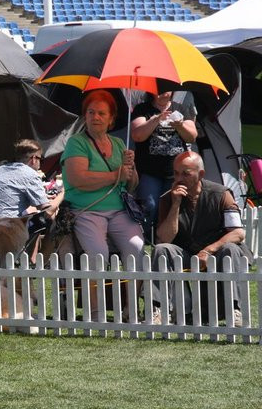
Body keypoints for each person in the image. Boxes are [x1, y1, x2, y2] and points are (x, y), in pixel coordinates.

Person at [151, 151, 250, 324]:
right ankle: (159, 309)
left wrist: (208, 250)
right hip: (187, 253)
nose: (179, 178)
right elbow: (165, 238)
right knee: (161, 250)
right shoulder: (168, 198)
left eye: (185, 174)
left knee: (231, 248)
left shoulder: (221, 194)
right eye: (175, 173)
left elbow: (238, 233)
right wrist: (175, 205)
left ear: (201, 174)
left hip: (217, 252)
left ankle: (234, 310)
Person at [61, 89, 144, 263]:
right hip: (87, 211)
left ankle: (132, 291)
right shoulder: (76, 142)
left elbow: (131, 186)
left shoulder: (119, 143)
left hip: (119, 211)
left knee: (137, 248)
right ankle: (96, 291)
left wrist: (131, 169)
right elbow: (78, 179)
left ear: (111, 119)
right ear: (85, 116)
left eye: (101, 113)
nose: (95, 117)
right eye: (90, 112)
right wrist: (115, 175)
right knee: (98, 255)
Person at [130, 91, 197, 241]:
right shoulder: (143, 109)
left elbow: (192, 136)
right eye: (158, 90)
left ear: (172, 92)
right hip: (150, 171)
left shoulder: (180, 108)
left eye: (166, 90)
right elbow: (137, 135)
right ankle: (146, 239)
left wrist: (180, 126)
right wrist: (157, 119)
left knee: (172, 206)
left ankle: (168, 240)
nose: (162, 93)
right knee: (149, 205)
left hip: (176, 172)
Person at [0, 138, 64, 219]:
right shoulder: (30, 174)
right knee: (52, 215)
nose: (40, 164)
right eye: (41, 159)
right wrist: (63, 192)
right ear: (34, 159)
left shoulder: (0, 170)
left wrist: (43, 196)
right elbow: (47, 213)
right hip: (11, 227)